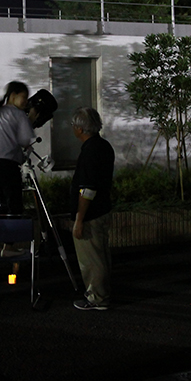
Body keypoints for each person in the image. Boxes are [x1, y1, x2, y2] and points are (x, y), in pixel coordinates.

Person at [70, 107, 115, 311]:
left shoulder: (89, 150)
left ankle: (97, 297)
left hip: (91, 213)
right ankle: (101, 293)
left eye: (74, 125)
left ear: (80, 129)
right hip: (103, 209)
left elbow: (87, 189)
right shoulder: (104, 146)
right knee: (101, 254)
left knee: (91, 259)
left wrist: (79, 220)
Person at [0, 81, 36, 216]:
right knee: (14, 207)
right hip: (5, 166)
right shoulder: (18, 114)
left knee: (3, 205)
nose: (26, 101)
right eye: (24, 97)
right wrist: (31, 119)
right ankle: (15, 236)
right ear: (13, 95)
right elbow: (25, 140)